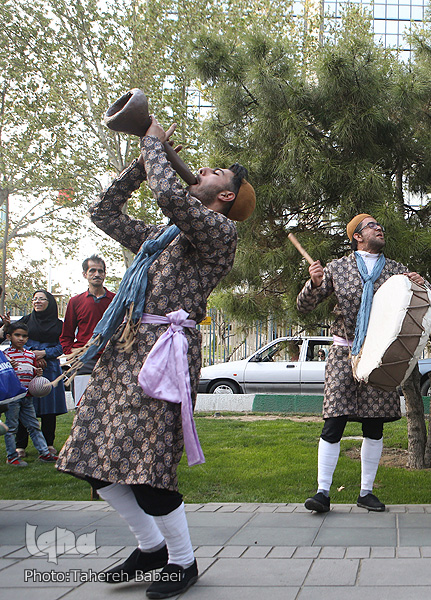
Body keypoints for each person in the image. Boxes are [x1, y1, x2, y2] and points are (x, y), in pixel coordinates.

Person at [56, 117, 254, 599]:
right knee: (91, 462)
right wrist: (141, 165)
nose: (200, 168)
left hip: (164, 356)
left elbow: (172, 197)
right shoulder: (161, 239)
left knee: (146, 465)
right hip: (125, 350)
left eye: (213, 172)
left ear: (226, 195)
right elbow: (103, 212)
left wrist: (153, 141)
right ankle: (151, 548)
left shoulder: (218, 232)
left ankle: (183, 562)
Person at [297, 213, 431, 513]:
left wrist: (422, 283)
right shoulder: (338, 268)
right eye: (372, 226)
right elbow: (304, 306)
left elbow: (430, 300)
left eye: (379, 225)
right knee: (334, 421)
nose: (379, 228)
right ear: (357, 236)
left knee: (374, 426)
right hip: (343, 353)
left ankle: (366, 492)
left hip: (380, 357)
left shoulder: (397, 271)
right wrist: (314, 283)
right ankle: (322, 492)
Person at [13, 291, 67, 456]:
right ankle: (20, 446)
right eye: (35, 298)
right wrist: (33, 354)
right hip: (27, 368)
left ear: (49, 302)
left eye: (41, 299)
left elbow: (63, 345)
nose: (37, 301)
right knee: (25, 406)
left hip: (50, 368)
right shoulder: (26, 321)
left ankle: (48, 444)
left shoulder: (59, 325)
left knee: (49, 409)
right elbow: (17, 340)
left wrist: (44, 353)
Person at [61, 255, 115, 406]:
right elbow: (66, 334)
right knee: (83, 405)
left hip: (110, 359)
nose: (97, 274)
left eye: (100, 271)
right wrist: (72, 354)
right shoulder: (75, 301)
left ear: (105, 274)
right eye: (92, 270)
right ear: (85, 274)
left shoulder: (116, 300)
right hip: (84, 361)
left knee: (109, 406)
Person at [3, 322, 57, 466]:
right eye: (17, 335)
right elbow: (4, 375)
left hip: (27, 397)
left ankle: (45, 453)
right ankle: (12, 457)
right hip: (13, 397)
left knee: (33, 425)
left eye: (24, 336)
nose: (21, 339)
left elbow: (31, 373)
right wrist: (9, 366)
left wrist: (37, 373)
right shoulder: (5, 355)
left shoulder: (30, 355)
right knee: (12, 427)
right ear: (9, 337)